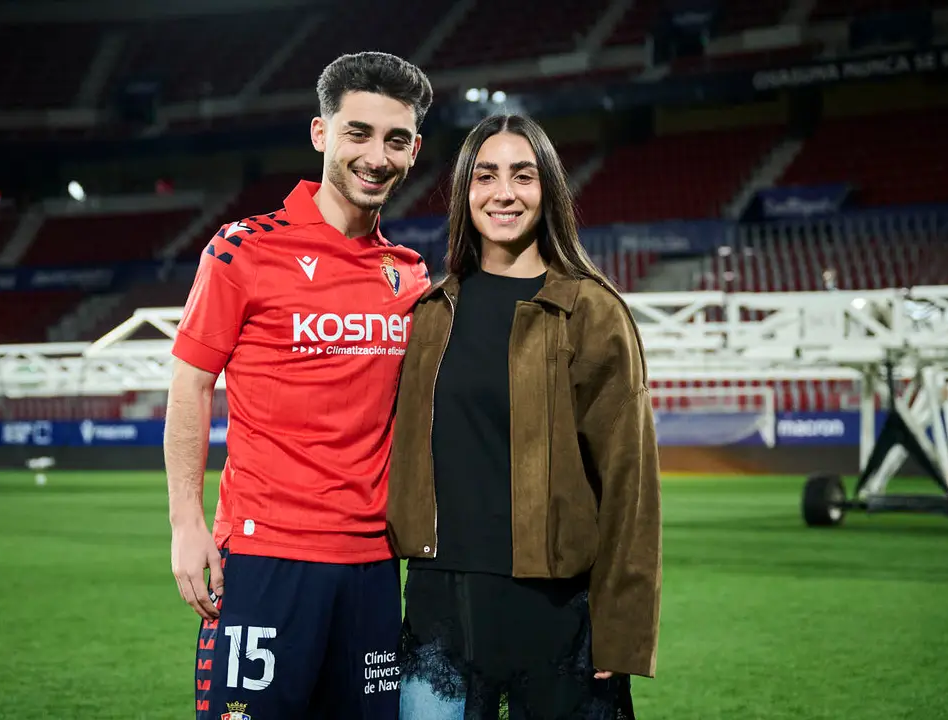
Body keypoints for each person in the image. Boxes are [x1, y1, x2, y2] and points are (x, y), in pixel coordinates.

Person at [164, 51, 434, 720]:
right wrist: (185, 524)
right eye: (358, 133)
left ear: (414, 150)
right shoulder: (241, 250)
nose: (376, 156)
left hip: (374, 564)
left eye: (395, 140)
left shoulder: (410, 277)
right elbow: (190, 386)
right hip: (264, 555)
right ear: (321, 134)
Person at [385, 113, 663, 719]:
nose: (503, 192)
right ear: (465, 191)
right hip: (437, 609)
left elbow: (630, 484)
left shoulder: (591, 310)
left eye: (522, 175)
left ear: (549, 191)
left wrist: (621, 624)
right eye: (485, 176)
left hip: (556, 616)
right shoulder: (430, 313)